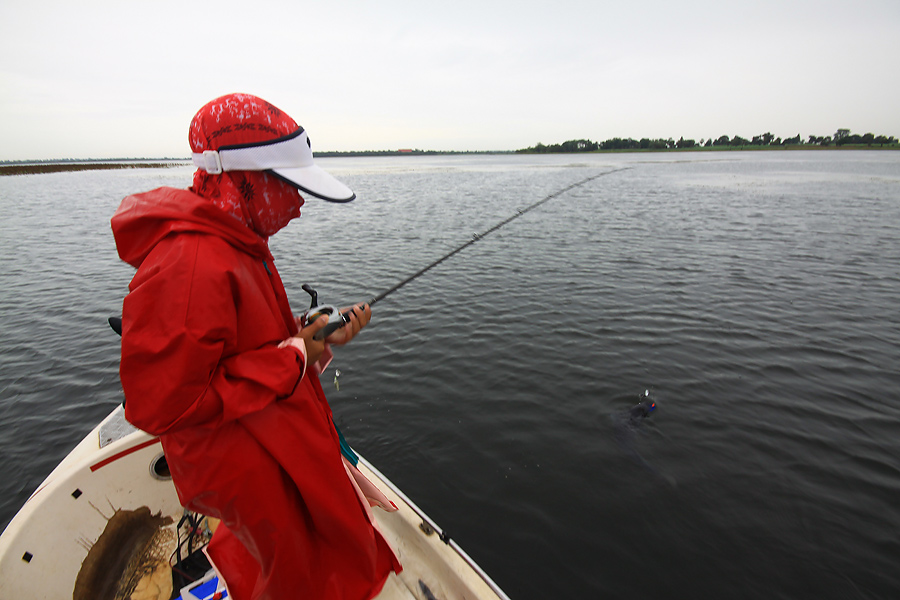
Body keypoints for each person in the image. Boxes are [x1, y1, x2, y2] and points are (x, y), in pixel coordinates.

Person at [111, 93, 401, 600]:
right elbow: (161, 405)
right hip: (239, 457)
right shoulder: (192, 262)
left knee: (298, 553)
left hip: (268, 436)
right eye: (288, 186)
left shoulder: (237, 239)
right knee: (292, 567)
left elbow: (239, 337)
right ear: (242, 179)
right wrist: (294, 356)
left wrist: (309, 330)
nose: (300, 202)